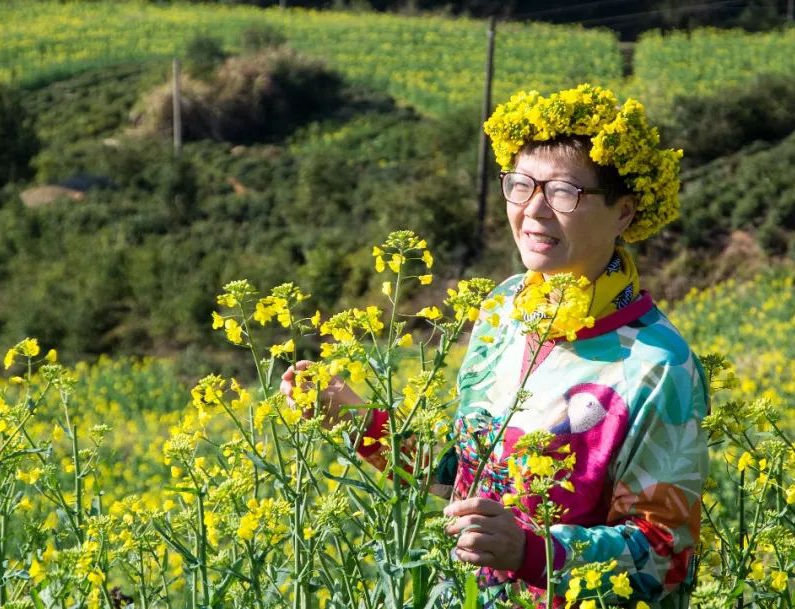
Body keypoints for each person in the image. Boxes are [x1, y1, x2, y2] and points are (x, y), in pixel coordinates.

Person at [281, 85, 709, 609]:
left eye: (563, 193)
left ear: (624, 212)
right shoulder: (503, 309)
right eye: (521, 185)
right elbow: (464, 482)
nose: (534, 210)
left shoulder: (656, 365)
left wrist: (532, 552)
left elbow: (667, 557)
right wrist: (361, 424)